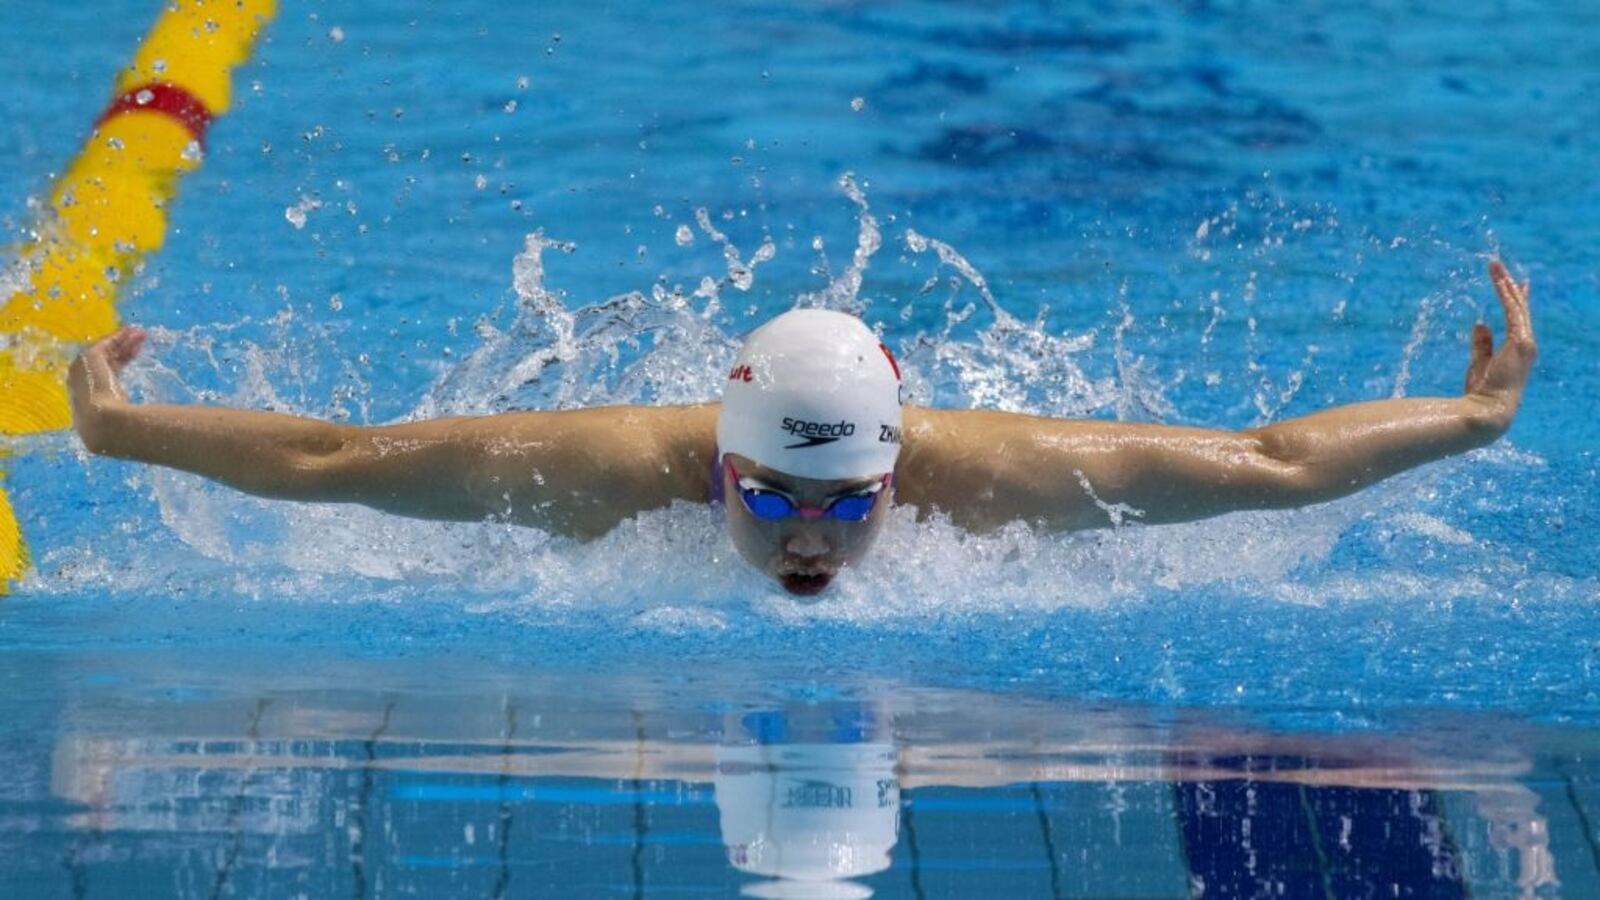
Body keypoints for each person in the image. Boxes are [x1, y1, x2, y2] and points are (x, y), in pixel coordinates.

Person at [68, 260, 1536, 597]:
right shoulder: (598, 477)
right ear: (718, 460)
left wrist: (1474, 423)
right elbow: (334, 461)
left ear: (899, 465)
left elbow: (1274, 464)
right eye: (771, 496)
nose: (811, 536)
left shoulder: (1000, 483)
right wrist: (124, 434)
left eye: (847, 503)